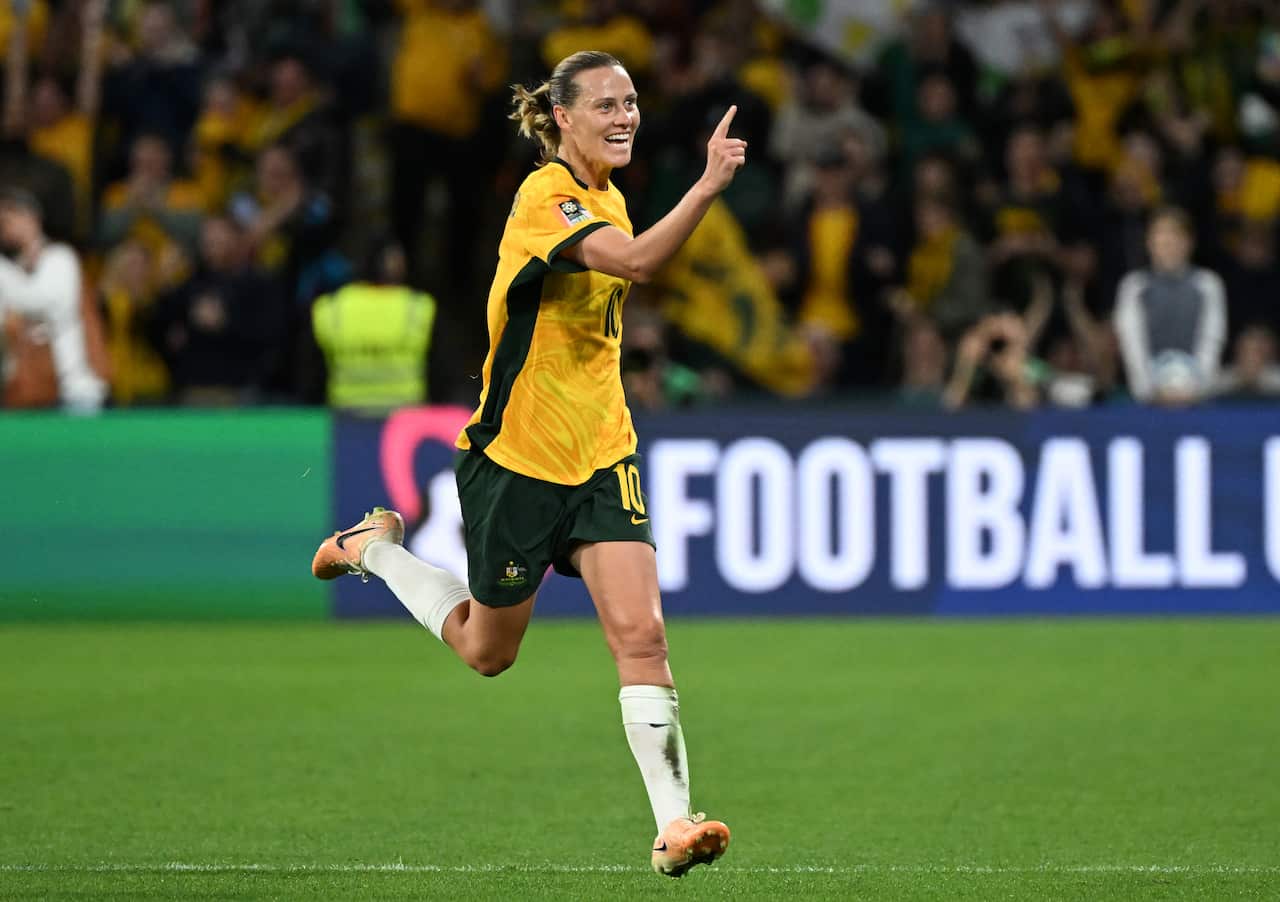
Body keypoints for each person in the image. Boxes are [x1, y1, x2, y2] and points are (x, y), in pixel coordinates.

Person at [311, 50, 743, 878]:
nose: (625, 117)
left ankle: (674, 826)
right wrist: (706, 186)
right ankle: (373, 546)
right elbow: (642, 262)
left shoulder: (607, 199)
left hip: (602, 451)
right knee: (488, 649)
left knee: (642, 637)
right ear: (564, 118)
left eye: (633, 102)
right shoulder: (545, 198)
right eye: (608, 105)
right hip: (519, 459)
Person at [0, 186, 106, 411]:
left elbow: (38, 299)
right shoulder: (15, 270)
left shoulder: (61, 257)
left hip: (75, 389)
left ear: (30, 217)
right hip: (29, 393)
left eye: (8, 219)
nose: (3, 228)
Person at [1113, 205, 1227, 403]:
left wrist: (1195, 389)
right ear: (1149, 242)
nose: (1168, 242)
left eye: (1175, 235)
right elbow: (1132, 345)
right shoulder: (1134, 286)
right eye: (1161, 235)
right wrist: (1149, 392)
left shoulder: (1208, 284)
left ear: (1189, 242)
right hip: (1150, 399)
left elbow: (1211, 339)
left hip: (1196, 396)